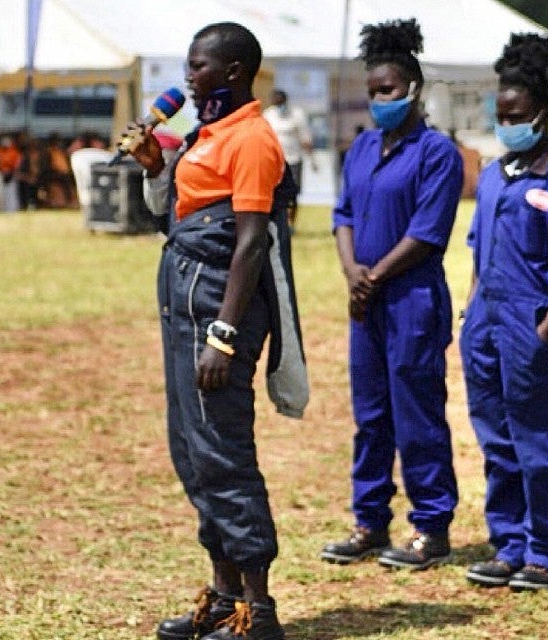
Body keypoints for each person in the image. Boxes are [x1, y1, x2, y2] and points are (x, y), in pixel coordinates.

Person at [125, 21, 308, 640]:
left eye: (198, 66)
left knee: (223, 452)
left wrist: (224, 333)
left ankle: (259, 612)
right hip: (184, 306)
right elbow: (183, 225)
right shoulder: (206, 133)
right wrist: (156, 164)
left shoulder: (253, 138)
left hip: (216, 313)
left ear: (234, 71)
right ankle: (224, 597)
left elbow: (251, 240)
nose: (187, 76)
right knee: (193, 452)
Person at [459, 33, 548, 592]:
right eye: (500, 114)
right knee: (496, 441)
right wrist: (471, 313)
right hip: (487, 328)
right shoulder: (494, 176)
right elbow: (478, 250)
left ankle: (545, 551)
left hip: (537, 329)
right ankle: (509, 544)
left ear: (543, 112)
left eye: (515, 114)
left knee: (541, 445)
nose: (505, 123)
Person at [322, 17, 463, 571]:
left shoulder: (437, 154)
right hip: (366, 302)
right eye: (372, 91)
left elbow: (427, 233)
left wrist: (373, 276)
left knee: (417, 413)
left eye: (388, 89)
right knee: (371, 414)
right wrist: (351, 272)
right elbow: (342, 216)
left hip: (412, 300)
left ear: (414, 89)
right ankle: (369, 520)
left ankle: (431, 526)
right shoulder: (361, 150)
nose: (379, 99)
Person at [263, 89, 316, 228]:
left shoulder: (297, 114)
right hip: (274, 161)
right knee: (275, 192)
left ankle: (291, 223)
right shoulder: (268, 115)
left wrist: (312, 160)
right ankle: (275, 221)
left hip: (293, 160)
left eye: (281, 101)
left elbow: (306, 139)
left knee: (293, 193)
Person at [0, 135, 21, 212]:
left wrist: (12, 172)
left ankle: (13, 209)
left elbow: (17, 164)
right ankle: (4, 209)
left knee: (12, 193)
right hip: (1, 175)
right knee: (3, 193)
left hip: (11, 175)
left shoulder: (14, 152)